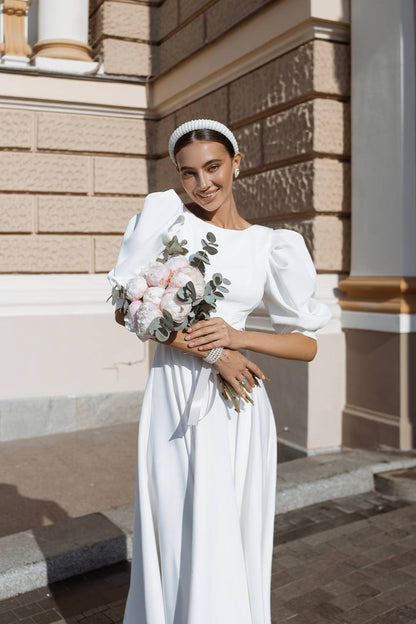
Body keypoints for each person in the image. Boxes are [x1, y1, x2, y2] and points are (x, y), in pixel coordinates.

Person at [108, 119, 331, 624]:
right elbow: (128, 310)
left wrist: (238, 337)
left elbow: (306, 346)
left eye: (213, 167)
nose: (203, 183)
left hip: (237, 411)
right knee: (178, 521)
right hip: (174, 398)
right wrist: (210, 353)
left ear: (236, 164)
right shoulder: (168, 222)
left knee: (227, 529)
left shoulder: (270, 245)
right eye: (189, 174)